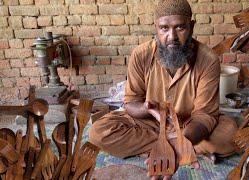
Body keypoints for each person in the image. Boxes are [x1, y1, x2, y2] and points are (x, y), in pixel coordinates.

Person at [89, 0, 238, 178]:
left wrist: (182, 139)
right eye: (164, 28)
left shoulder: (208, 59)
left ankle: (170, 148)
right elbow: (130, 103)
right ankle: (186, 150)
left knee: (230, 135)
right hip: (151, 123)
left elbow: (205, 116)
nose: (172, 36)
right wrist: (146, 108)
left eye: (180, 27)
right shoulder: (141, 54)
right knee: (98, 132)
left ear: (191, 26)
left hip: (190, 124)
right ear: (156, 28)